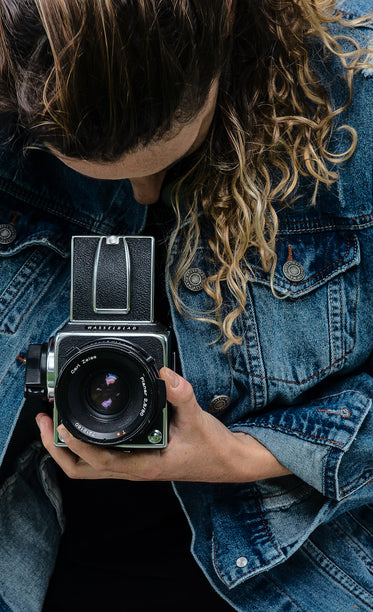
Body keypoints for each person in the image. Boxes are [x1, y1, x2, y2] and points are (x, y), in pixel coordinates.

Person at [0, 0, 372, 610]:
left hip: (303, 565)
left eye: (173, 158)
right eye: (99, 175)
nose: (145, 194)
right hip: (35, 554)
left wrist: (241, 456)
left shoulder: (355, 94)